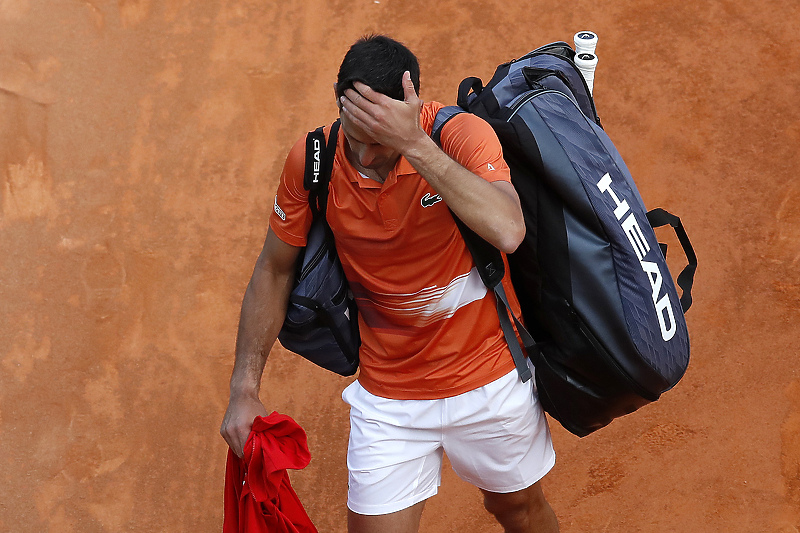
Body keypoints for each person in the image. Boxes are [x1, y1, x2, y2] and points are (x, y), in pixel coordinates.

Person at [220, 34, 559, 533]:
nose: (364, 154)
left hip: (490, 377)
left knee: (519, 512)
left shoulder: (458, 136)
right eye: (355, 136)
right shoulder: (313, 159)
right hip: (390, 398)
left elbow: (507, 229)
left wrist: (415, 146)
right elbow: (273, 270)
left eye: (380, 140)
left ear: (412, 105)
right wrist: (244, 388)